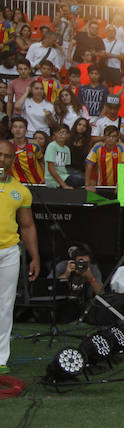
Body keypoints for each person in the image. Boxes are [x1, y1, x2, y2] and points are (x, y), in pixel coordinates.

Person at [0, 140, 39, 374]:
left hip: (9, 253)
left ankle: (1, 358)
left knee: (5, 306)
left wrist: (34, 257)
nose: (1, 159)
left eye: (6, 156)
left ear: (13, 160)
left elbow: (27, 226)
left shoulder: (21, 191)